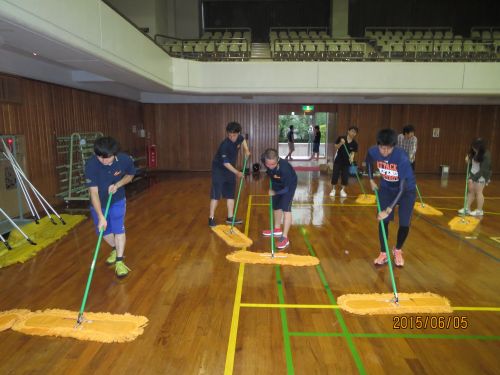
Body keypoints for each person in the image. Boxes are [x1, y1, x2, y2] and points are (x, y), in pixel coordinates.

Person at [84, 136, 136, 278]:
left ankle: (119, 261)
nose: (105, 161)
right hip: (98, 201)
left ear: (115, 153)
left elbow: (130, 175)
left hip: (117, 199)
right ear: (96, 155)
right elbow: (93, 192)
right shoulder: (91, 165)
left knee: (118, 228)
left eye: (108, 158)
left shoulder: (124, 159)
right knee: (104, 232)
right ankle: (115, 248)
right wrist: (101, 216)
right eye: (101, 158)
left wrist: (118, 185)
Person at [365, 128, 416, 267]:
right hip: (387, 188)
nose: (385, 152)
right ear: (378, 145)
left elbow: (402, 188)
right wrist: (370, 180)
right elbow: (368, 161)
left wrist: (388, 209)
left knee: (405, 223)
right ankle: (384, 253)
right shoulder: (374, 151)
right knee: (383, 221)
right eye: (382, 148)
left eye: (388, 149)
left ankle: (398, 250)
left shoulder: (402, 158)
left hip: (406, 191)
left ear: (394, 146)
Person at [209, 121, 251, 227]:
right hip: (219, 170)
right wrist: (237, 172)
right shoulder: (225, 145)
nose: (232, 137)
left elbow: (243, 141)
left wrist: (246, 150)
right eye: (230, 135)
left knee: (230, 194)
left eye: (234, 135)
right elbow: (225, 163)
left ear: (238, 133)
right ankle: (211, 218)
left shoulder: (239, 138)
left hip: (230, 170)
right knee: (216, 195)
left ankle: (230, 217)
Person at [261, 148, 298, 250]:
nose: (270, 167)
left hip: (288, 186)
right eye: (268, 164)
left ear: (277, 160)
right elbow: (269, 170)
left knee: (286, 209)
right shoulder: (264, 160)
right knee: (276, 206)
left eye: (273, 164)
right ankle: (277, 229)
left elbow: (286, 189)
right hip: (276, 182)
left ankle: (285, 238)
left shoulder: (285, 168)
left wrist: (275, 192)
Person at [458, 138, 492, 216]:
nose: (474, 149)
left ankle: (479, 210)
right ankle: (467, 208)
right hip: (473, 173)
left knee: (478, 192)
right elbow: (472, 165)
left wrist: (473, 179)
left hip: (481, 175)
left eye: (476, 147)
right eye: (473, 147)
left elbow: (483, 170)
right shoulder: (473, 153)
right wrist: (468, 161)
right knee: (470, 191)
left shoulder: (486, 155)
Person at [329, 126, 358, 197]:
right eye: (352, 131)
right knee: (335, 175)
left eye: (355, 132)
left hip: (346, 162)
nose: (353, 133)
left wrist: (352, 158)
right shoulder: (341, 138)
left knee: (345, 177)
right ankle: (333, 190)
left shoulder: (355, 143)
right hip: (338, 160)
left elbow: (353, 153)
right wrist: (341, 143)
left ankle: (342, 190)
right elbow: (336, 146)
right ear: (348, 131)